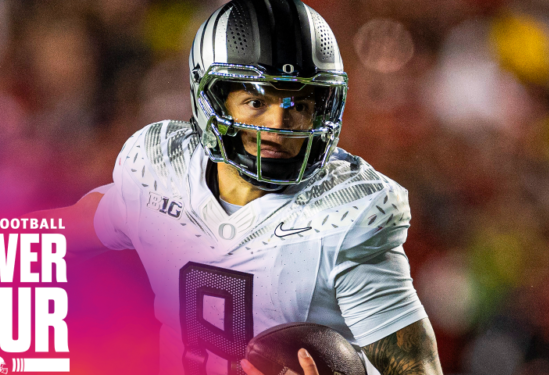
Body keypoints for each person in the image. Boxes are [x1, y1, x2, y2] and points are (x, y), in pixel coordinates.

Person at [28, 0, 443, 374]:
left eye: (298, 105)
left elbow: (418, 369)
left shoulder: (344, 216)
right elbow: (74, 226)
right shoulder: (165, 171)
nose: (278, 125)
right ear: (213, 101)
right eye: (257, 102)